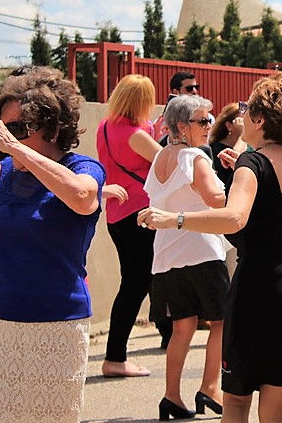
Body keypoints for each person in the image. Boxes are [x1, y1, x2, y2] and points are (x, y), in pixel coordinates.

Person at [138, 72, 282, 423]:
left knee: (237, 402)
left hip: (262, 289)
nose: (239, 117)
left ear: (259, 119)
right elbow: (279, 217)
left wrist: (174, 218)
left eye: (246, 109)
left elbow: (234, 219)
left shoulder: (252, 164)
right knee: (275, 410)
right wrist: (241, 167)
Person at [0, 68, 104, 423]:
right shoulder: (0, 171)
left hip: (55, 329)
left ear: (53, 130)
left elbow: (83, 197)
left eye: (20, 128)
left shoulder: (82, 167)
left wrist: (10, 146)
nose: (8, 136)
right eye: (2, 126)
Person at [143, 94, 228, 420]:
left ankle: (172, 396)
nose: (209, 126)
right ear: (182, 125)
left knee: (182, 327)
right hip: (201, 250)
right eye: (203, 121)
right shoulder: (195, 157)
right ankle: (209, 388)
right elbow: (216, 199)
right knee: (222, 322)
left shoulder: (162, 156)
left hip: (167, 254)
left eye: (210, 119)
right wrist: (242, 178)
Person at [96, 74, 163, 379]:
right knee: (136, 285)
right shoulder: (136, 134)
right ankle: (115, 356)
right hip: (139, 213)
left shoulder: (106, 128)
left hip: (117, 214)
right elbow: (164, 163)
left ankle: (116, 354)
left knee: (133, 283)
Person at [208, 102, 248, 196]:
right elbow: (235, 159)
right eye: (241, 121)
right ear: (229, 126)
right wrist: (242, 134)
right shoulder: (216, 149)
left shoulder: (248, 144)